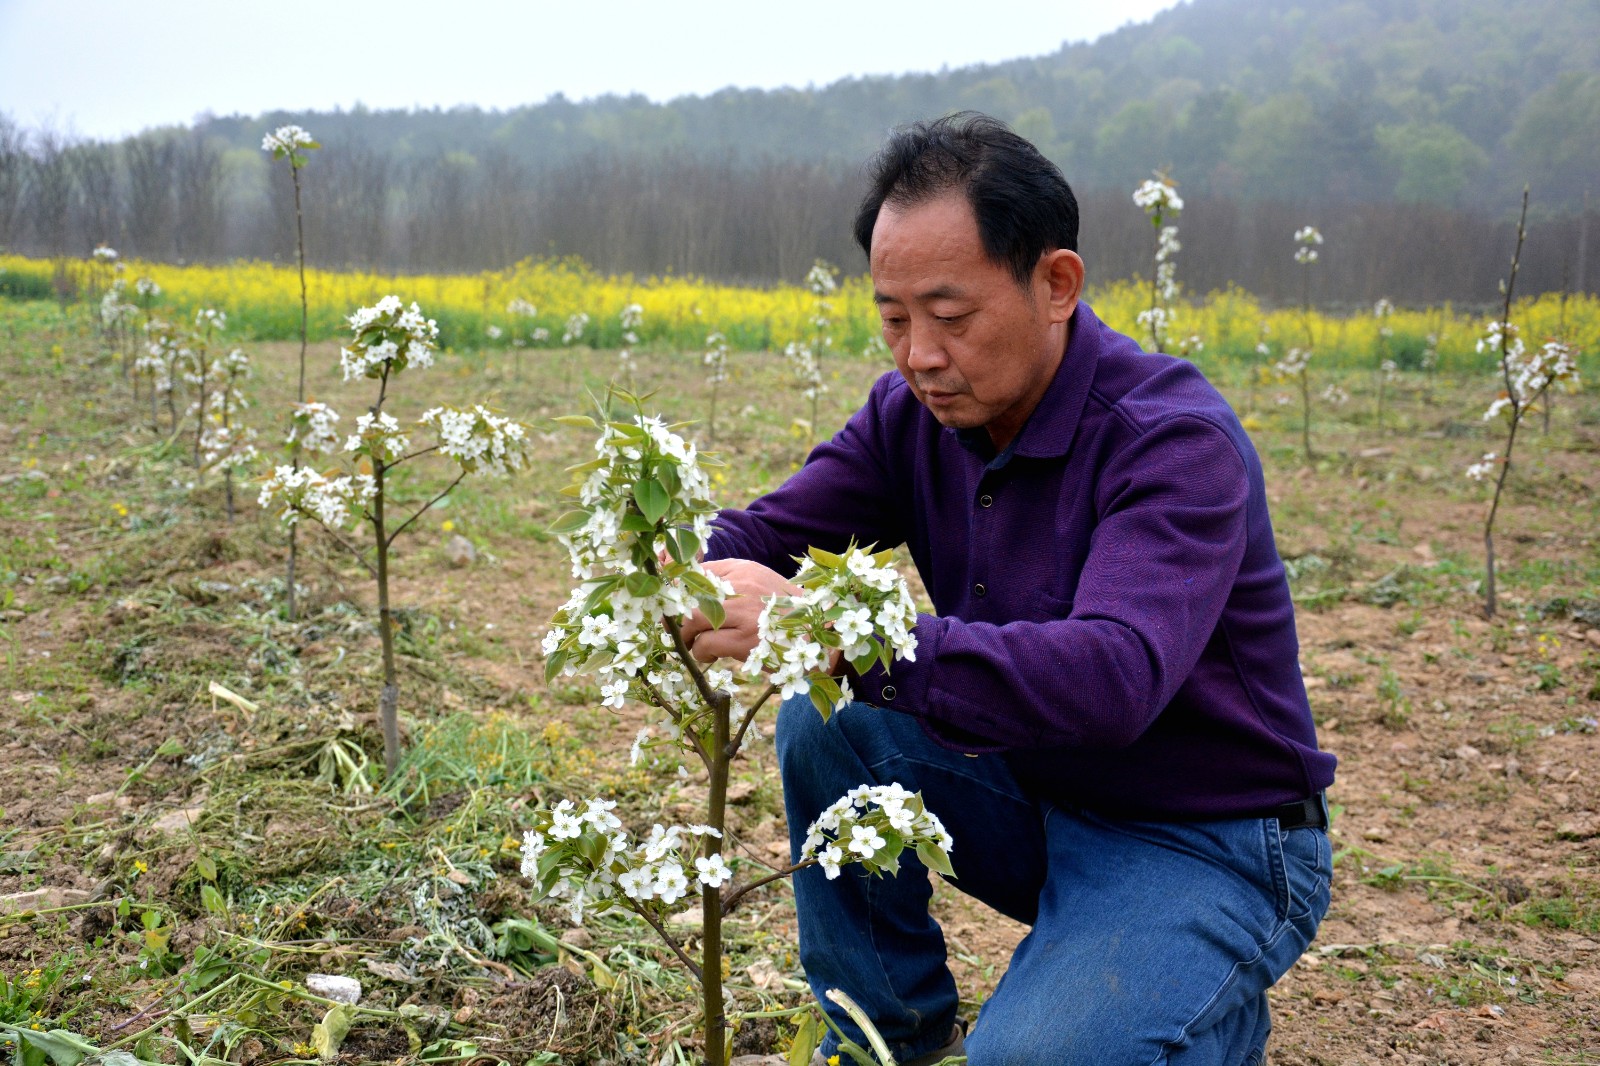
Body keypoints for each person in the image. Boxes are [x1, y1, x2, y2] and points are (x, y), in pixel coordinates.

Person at [678, 112, 1335, 1066]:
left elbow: (1114, 677)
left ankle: (1199, 1001)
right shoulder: (912, 416)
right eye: (893, 320)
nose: (918, 356)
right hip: (1035, 794)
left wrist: (841, 635)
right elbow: (764, 533)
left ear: (1056, 284)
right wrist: (674, 562)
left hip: (1206, 841)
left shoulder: (1171, 440)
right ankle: (883, 1033)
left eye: (950, 318)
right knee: (828, 721)